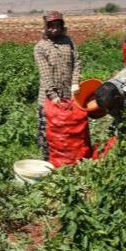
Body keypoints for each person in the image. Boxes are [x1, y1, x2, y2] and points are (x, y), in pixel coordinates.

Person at [33, 11, 81, 160]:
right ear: (46, 27)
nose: (54, 29)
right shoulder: (40, 47)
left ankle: (67, 160)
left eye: (57, 26)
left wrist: (75, 83)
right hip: (48, 99)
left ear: (62, 26)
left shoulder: (68, 42)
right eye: (51, 26)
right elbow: (45, 74)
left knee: (67, 131)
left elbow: (77, 62)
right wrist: (53, 96)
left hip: (68, 95)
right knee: (48, 132)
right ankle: (47, 162)